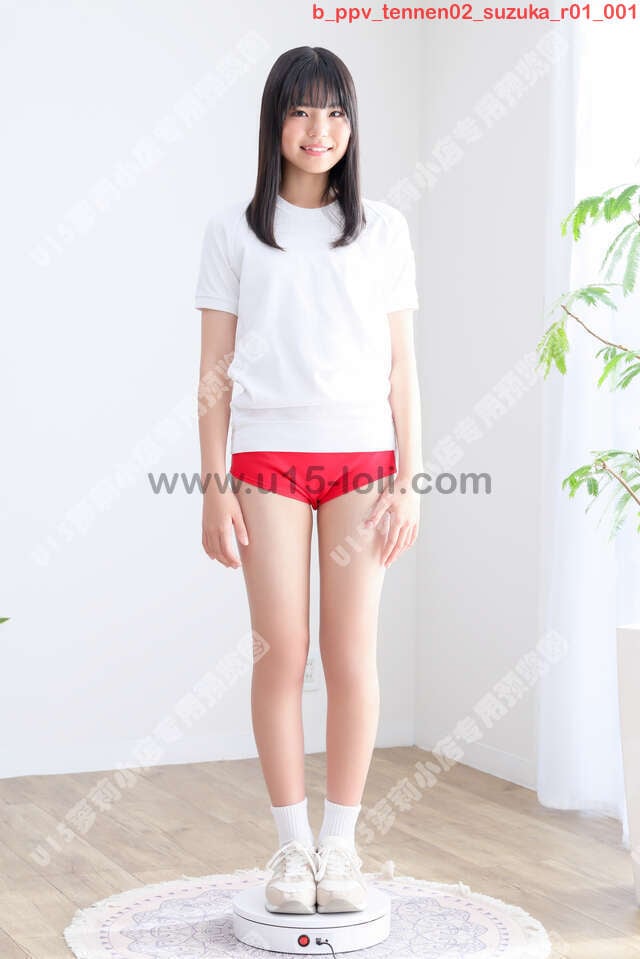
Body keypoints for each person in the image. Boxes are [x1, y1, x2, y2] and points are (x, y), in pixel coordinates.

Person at [195, 45, 423, 915]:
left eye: (334, 111)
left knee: (349, 652)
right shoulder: (234, 232)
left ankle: (341, 846)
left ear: (351, 125)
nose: (318, 129)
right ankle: (292, 849)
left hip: (364, 463)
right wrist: (214, 484)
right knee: (282, 650)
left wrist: (409, 480)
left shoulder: (383, 230)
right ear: (275, 122)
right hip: (266, 464)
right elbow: (214, 371)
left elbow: (403, 370)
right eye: (300, 110)